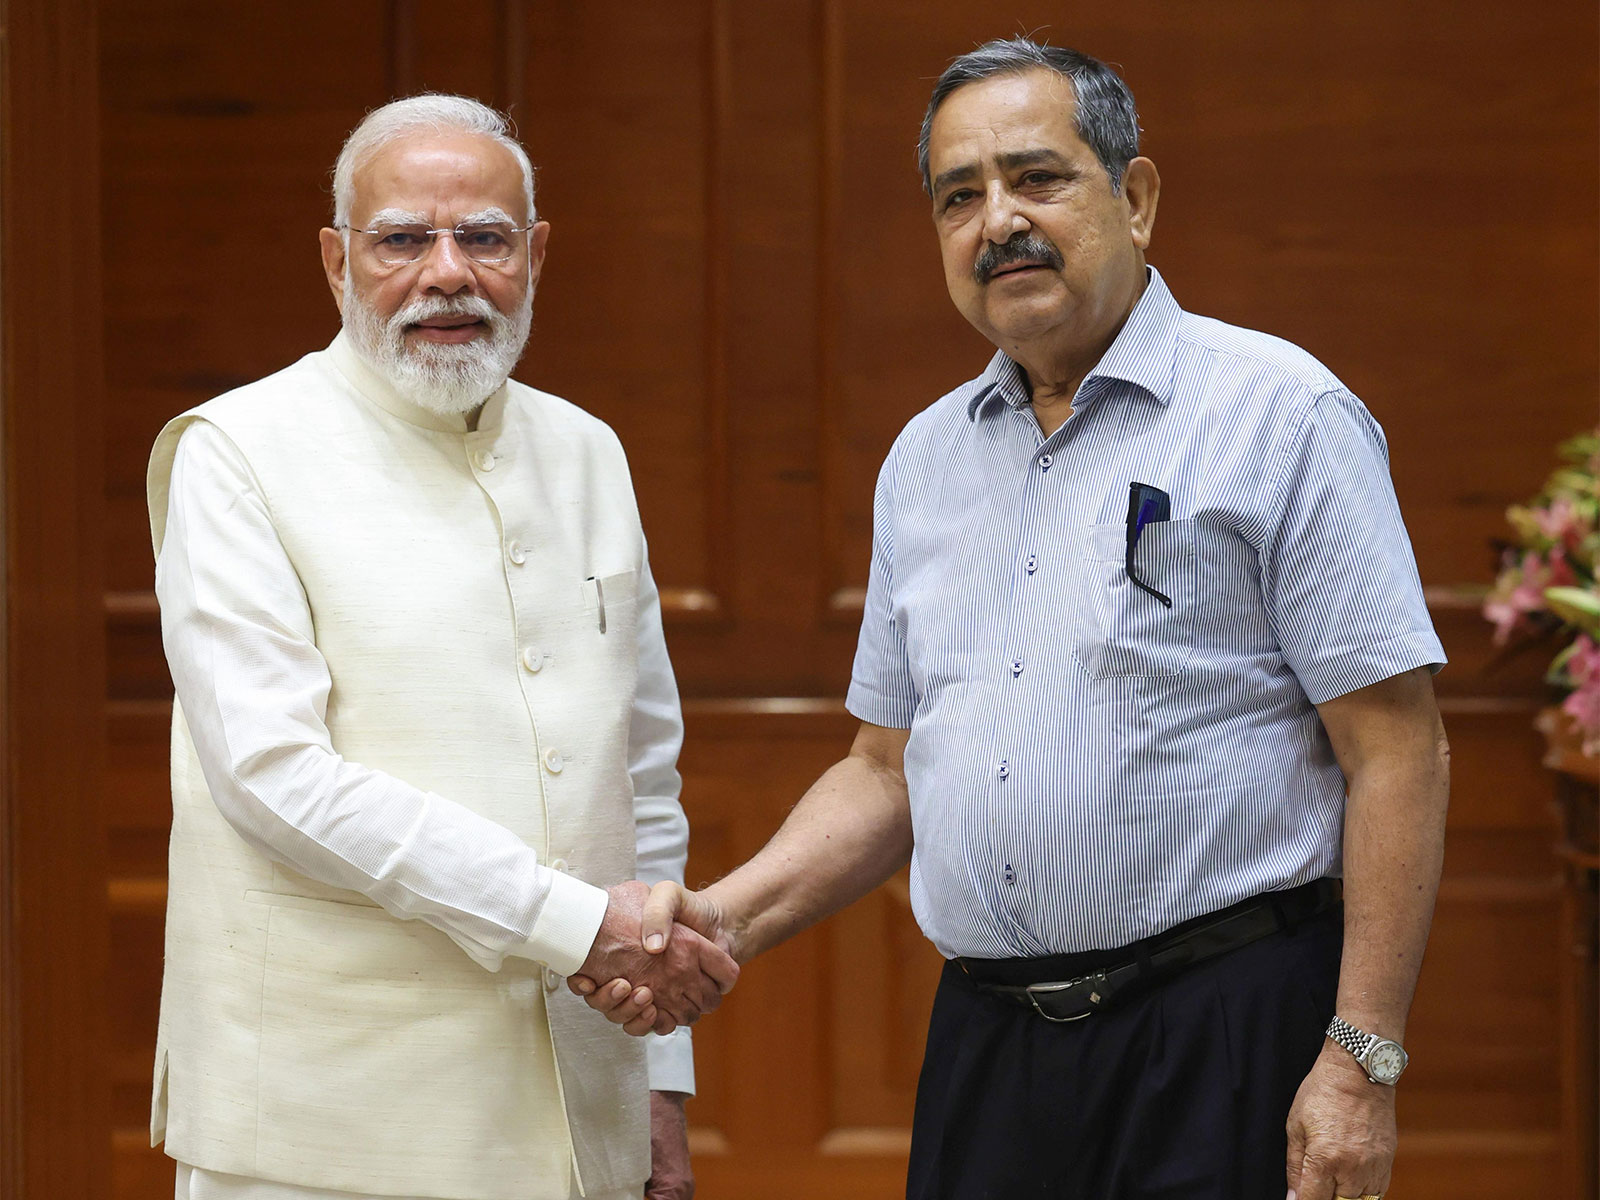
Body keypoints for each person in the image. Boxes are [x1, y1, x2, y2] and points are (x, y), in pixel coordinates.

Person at [577, 37, 1449, 1200]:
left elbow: (1397, 749)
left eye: (1037, 178)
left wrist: (1361, 1060)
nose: (997, 221)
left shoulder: (1278, 412)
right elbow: (884, 771)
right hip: (989, 1047)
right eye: (958, 196)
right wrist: (720, 922)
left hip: (1221, 1035)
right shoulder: (923, 460)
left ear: (1134, 198)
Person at [145, 94, 736, 1200]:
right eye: (402, 239)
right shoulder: (235, 454)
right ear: (335, 260)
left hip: (581, 1105)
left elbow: (641, 778)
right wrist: (572, 925)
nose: (448, 274)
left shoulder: (588, 452)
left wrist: (657, 1082)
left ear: (537, 254)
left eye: (486, 238)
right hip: (329, 1121)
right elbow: (273, 776)